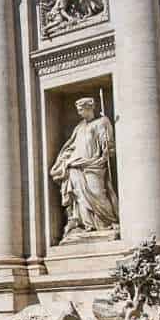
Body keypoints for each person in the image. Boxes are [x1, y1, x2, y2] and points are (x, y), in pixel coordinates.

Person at [50, 97, 119, 239]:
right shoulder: (79, 127)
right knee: (79, 197)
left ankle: (106, 223)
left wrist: (107, 149)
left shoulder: (102, 122)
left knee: (97, 192)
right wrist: (65, 159)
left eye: (82, 110)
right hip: (76, 165)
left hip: (94, 165)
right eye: (78, 110)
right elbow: (71, 146)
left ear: (90, 108)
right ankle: (86, 225)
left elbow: (108, 145)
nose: (80, 113)